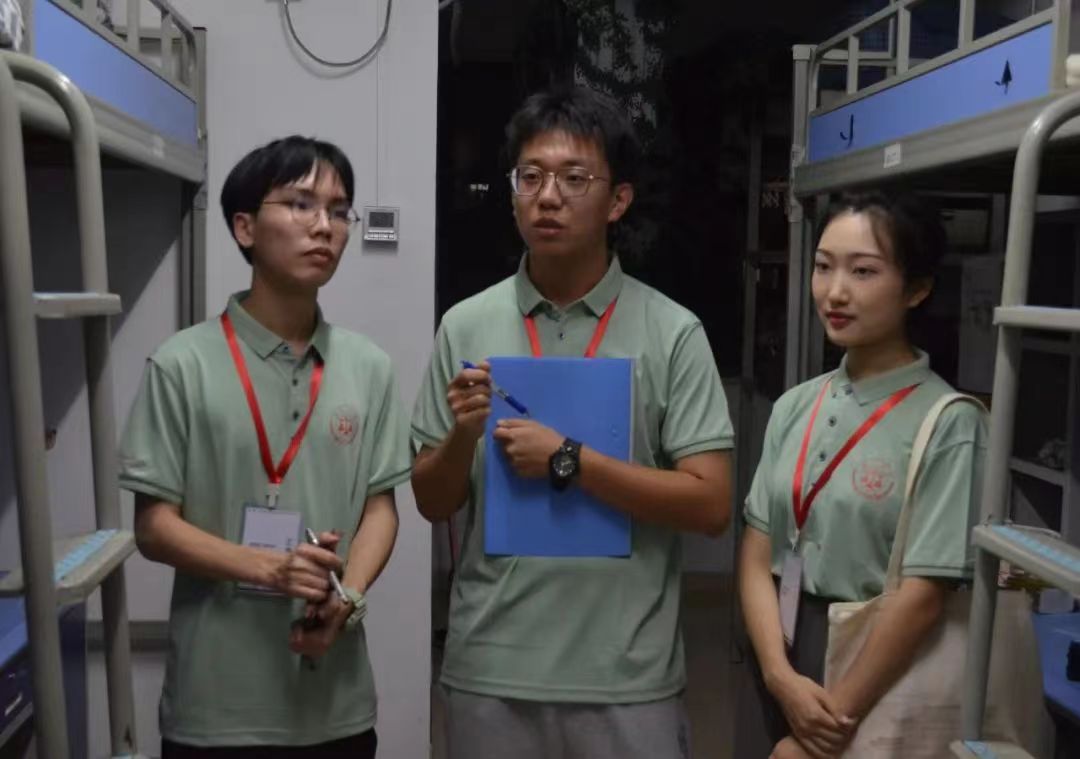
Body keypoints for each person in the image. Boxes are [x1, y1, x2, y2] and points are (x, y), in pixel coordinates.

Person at [411, 85, 734, 759]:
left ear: (619, 200)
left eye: (574, 178)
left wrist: (570, 460)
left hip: (627, 675)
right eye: (530, 177)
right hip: (491, 668)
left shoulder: (672, 331)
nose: (548, 197)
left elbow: (710, 505)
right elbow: (431, 501)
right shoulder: (466, 324)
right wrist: (463, 433)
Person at [118, 136, 410, 757]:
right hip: (212, 708)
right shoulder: (182, 364)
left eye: (339, 211)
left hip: (334, 703)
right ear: (245, 227)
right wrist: (267, 568)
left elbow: (381, 509)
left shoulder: (369, 367)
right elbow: (153, 528)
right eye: (301, 204)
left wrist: (348, 600)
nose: (324, 226)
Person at [735, 192, 987, 759]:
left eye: (864, 271)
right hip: (778, 644)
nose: (835, 291)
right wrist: (777, 675)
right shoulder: (795, 405)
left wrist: (825, 728)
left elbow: (922, 597)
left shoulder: (950, 421)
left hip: (876, 670)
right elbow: (757, 552)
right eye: (824, 266)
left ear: (916, 289)